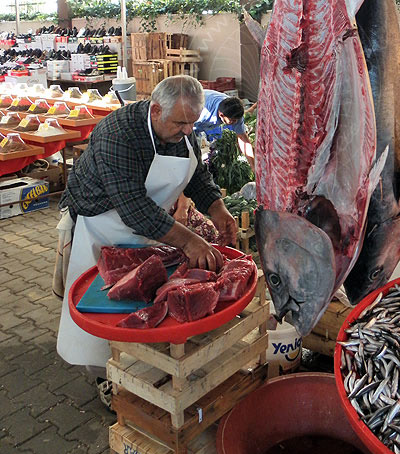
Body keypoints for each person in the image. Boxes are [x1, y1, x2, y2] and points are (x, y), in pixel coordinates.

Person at [56, 75, 237, 383]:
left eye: (192, 123)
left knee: (140, 304)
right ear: (155, 110)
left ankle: (143, 367)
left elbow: (197, 176)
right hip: (101, 226)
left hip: (149, 227)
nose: (188, 131)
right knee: (103, 312)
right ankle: (106, 378)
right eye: (181, 123)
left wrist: (217, 208)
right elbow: (133, 207)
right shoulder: (117, 134)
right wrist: (190, 241)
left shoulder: (181, 129)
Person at [194, 89, 255, 169]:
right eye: (232, 120)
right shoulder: (204, 109)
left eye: (236, 120)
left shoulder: (234, 112)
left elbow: (243, 139)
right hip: (188, 115)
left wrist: (253, 166)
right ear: (221, 115)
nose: (235, 122)